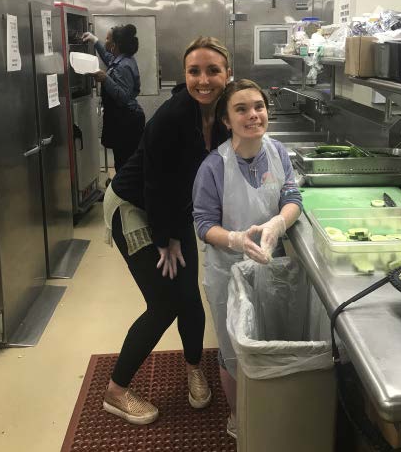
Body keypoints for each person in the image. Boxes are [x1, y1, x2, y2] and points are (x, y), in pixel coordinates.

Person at [101, 37, 231, 425]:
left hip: (172, 212)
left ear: (227, 74)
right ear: (185, 75)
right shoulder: (173, 116)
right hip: (134, 209)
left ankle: (193, 367)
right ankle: (116, 391)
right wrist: (166, 239)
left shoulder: (220, 115)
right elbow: (155, 184)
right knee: (164, 304)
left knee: (189, 296)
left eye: (213, 70)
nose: (203, 80)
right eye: (194, 71)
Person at [192, 79, 303, 438]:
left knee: (269, 337)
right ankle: (241, 415)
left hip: (273, 265)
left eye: (258, 106)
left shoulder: (278, 152)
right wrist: (236, 239)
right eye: (241, 109)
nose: (253, 115)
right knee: (233, 347)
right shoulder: (213, 166)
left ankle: (272, 406)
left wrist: (279, 221)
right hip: (228, 271)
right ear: (226, 120)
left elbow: (292, 197)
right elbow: (204, 223)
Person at [82, 25, 145, 171]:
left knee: (124, 164)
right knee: (122, 162)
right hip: (123, 121)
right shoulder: (122, 59)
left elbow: (123, 97)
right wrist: (95, 40)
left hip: (127, 124)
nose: (105, 41)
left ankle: (125, 192)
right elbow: (108, 57)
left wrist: (105, 79)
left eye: (107, 38)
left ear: (114, 45)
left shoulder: (123, 66)